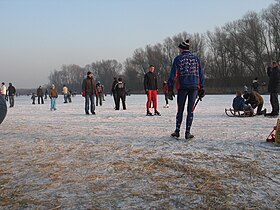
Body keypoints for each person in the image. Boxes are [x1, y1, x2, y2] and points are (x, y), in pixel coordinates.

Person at [168, 39, 205, 139]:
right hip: (194, 87)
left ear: (181, 48)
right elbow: (201, 73)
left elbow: (172, 75)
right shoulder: (196, 59)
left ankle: (177, 130)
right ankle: (187, 132)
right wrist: (202, 87)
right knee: (190, 110)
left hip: (182, 87)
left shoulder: (178, 59)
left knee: (180, 110)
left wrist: (170, 87)